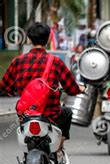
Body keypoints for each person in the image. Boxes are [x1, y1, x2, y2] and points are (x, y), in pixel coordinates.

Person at [0, 22, 82, 155]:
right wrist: (80, 89)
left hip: (26, 114)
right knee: (67, 112)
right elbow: (71, 88)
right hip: (51, 114)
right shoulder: (56, 62)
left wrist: (13, 90)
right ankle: (59, 149)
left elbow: (4, 87)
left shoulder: (18, 61)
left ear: (29, 39)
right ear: (49, 39)